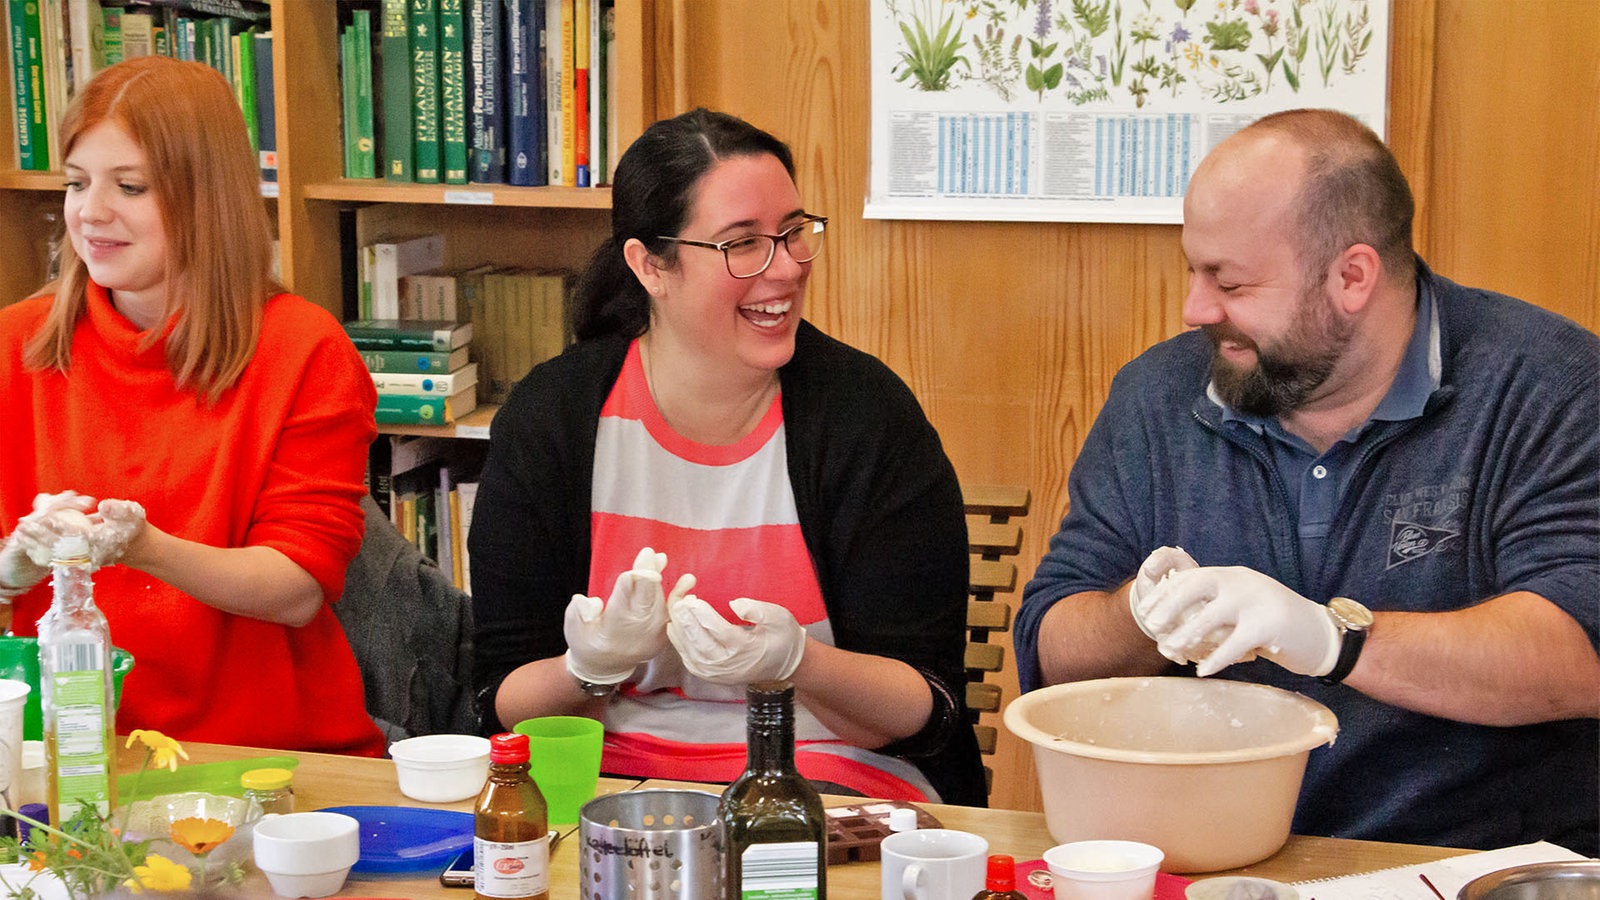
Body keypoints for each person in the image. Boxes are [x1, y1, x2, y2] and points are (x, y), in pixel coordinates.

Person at [1016, 109, 1598, 853]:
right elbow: (1051, 650)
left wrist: (1330, 639)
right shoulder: (1157, 398)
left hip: (1469, 860)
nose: (1195, 309)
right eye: (1193, 270)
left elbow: (1580, 653)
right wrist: (1140, 612)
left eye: (1229, 282)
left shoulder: (1549, 388)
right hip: (1209, 855)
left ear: (1352, 276)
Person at [470, 108, 984, 805]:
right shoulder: (554, 419)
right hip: (609, 790)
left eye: (794, 235)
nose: (784, 270)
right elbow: (505, 700)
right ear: (651, 265)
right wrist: (589, 668)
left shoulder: (866, 417)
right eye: (743, 245)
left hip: (829, 787)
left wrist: (799, 662)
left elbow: (923, 705)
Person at [0, 57, 384, 756]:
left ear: (207, 197)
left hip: (263, 756)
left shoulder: (302, 349)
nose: (92, 212)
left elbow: (298, 585)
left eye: (131, 187)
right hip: (66, 753)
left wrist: (143, 549)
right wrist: (9, 571)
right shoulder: (15, 346)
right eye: (77, 183)